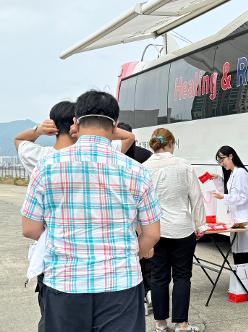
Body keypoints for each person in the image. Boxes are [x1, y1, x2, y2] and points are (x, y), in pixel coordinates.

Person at [20, 90, 161, 332]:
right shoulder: (135, 170)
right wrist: (129, 254)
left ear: (75, 122)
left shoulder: (47, 165)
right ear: (115, 124)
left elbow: (30, 228)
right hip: (122, 283)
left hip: (64, 283)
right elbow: (152, 234)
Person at [14, 101, 76, 332]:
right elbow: (126, 139)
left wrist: (38, 131)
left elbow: (19, 140)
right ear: (76, 125)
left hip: (51, 257)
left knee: (53, 318)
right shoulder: (97, 158)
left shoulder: (41, 158)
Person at [143, 128, 207, 332]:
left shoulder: (143, 168)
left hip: (155, 230)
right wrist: (200, 224)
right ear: (171, 144)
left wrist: (141, 233)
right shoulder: (184, 165)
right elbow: (196, 197)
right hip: (182, 229)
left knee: (159, 276)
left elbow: (140, 202)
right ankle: (182, 324)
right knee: (182, 276)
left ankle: (160, 323)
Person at [117, 122, 153, 313]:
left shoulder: (111, 158)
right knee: (146, 262)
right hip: (141, 217)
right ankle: (147, 294)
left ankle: (142, 296)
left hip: (126, 219)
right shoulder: (144, 155)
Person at [211, 146, 248, 265]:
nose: (221, 164)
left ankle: (245, 282)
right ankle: (240, 282)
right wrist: (218, 180)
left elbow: (242, 197)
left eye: (222, 160)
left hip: (245, 222)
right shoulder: (232, 174)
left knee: (245, 257)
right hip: (238, 222)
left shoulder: (241, 173)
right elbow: (229, 193)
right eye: (219, 161)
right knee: (239, 256)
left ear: (231, 156)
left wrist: (223, 197)